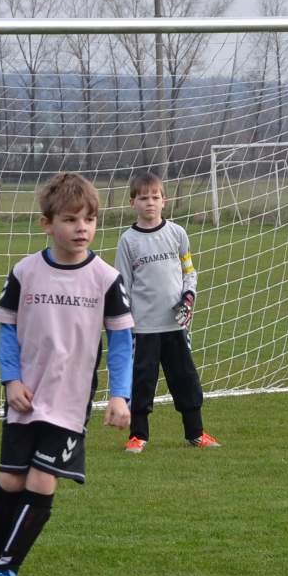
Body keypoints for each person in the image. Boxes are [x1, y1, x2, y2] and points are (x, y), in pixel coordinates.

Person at [0, 173, 133, 576]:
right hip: (25, 396)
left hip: (69, 402)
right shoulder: (25, 272)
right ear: (47, 224)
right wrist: (10, 380)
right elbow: (7, 330)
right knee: (10, 480)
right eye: (70, 219)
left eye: (90, 220)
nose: (82, 228)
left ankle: (2, 574)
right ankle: (2, 566)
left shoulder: (106, 278)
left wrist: (120, 395)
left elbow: (122, 342)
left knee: (42, 480)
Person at [112, 171, 218, 452]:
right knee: (142, 381)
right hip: (144, 327)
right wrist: (126, 322)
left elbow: (189, 271)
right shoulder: (128, 241)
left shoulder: (177, 233)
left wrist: (189, 296)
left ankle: (196, 432)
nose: (150, 202)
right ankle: (138, 435)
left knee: (185, 379)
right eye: (143, 198)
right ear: (133, 203)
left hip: (175, 325)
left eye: (155, 197)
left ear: (164, 201)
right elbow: (123, 284)